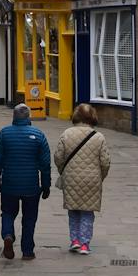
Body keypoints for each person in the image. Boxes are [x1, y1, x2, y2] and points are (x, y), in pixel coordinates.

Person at [0, 103, 52, 260]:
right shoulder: (39, 135)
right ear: (29, 117)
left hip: (9, 184)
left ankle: (8, 235)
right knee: (29, 218)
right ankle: (28, 251)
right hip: (31, 186)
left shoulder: (4, 134)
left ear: (13, 117)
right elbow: (45, 165)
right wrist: (46, 185)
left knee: (8, 212)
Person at [54, 104, 112, 255]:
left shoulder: (66, 134)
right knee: (87, 212)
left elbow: (58, 157)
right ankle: (85, 244)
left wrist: (63, 171)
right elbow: (105, 162)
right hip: (92, 180)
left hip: (71, 178)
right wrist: (101, 176)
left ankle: (75, 241)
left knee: (73, 211)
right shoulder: (99, 137)